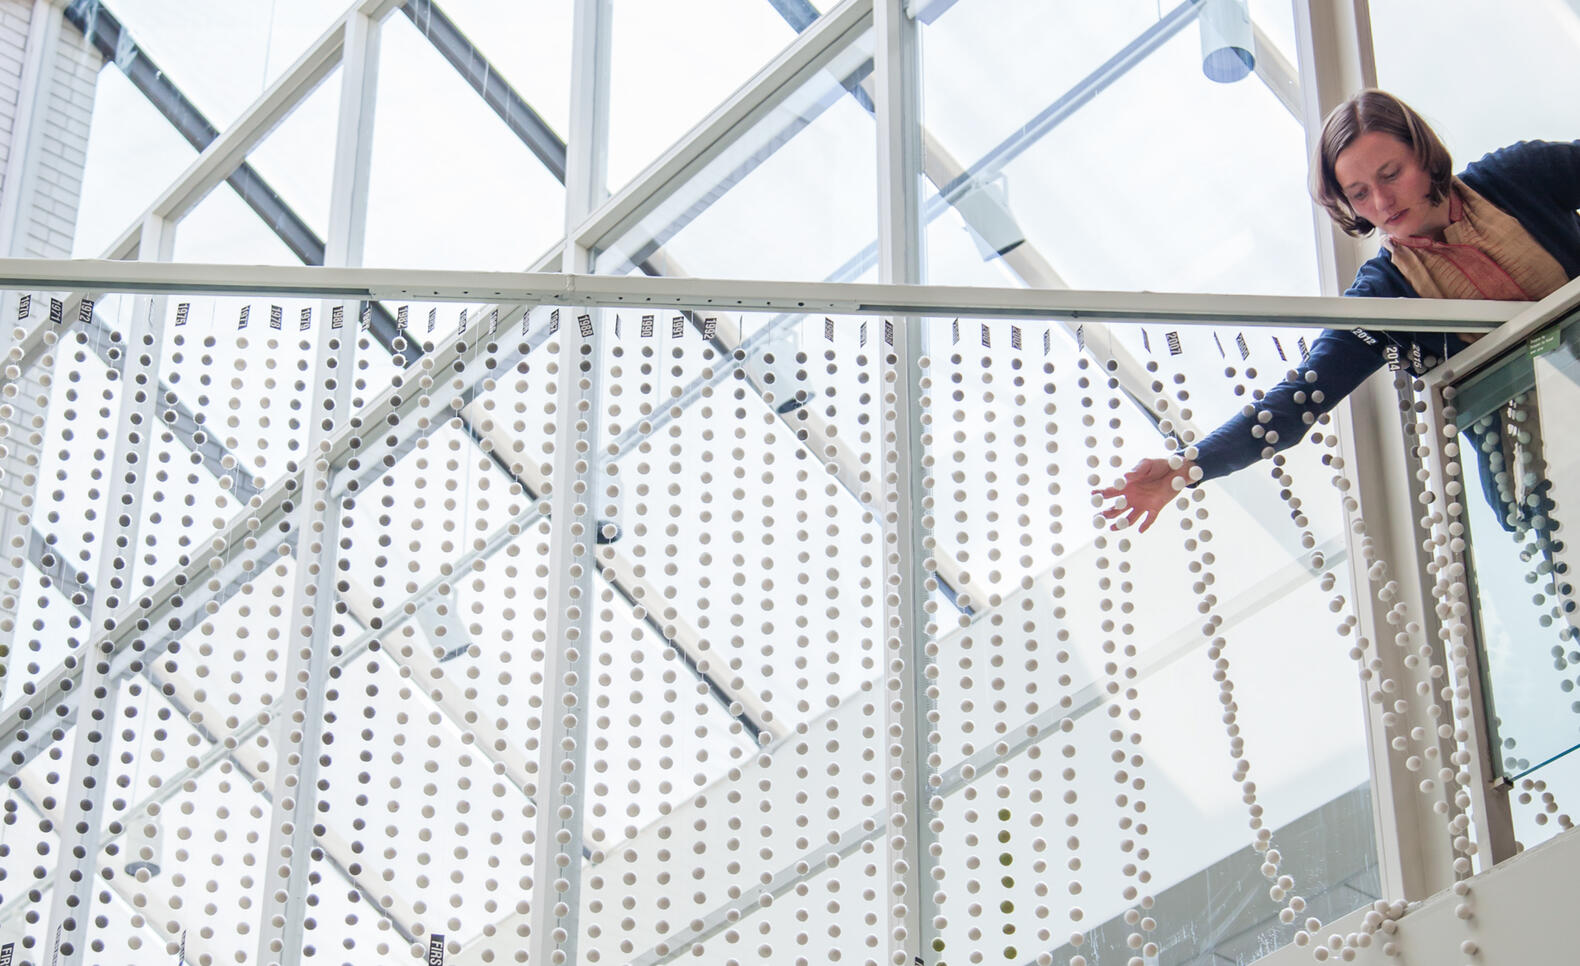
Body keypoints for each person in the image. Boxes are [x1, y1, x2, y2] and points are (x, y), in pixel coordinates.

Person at [1096, 89, 1580, 533]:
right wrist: (1186, 466)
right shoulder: (1383, 295)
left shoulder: (1516, 177)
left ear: (1426, 156)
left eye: (1391, 174)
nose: (1383, 201)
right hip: (1553, 480)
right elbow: (1296, 400)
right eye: (1359, 193)